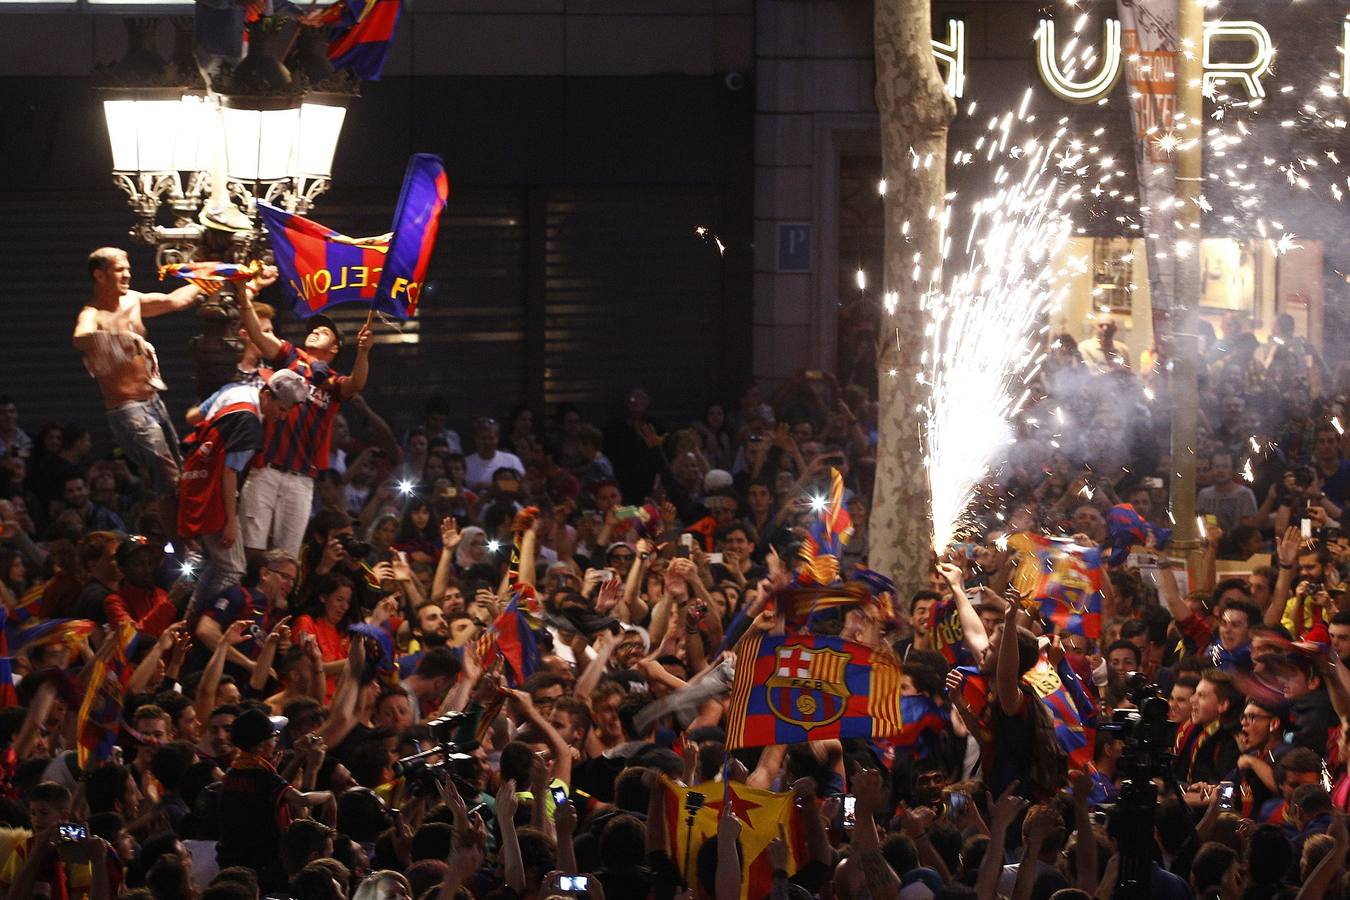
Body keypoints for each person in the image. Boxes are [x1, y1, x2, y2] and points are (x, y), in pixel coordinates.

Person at [236, 271, 375, 560]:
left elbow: (357, 384)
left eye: (324, 332)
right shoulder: (291, 357)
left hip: (301, 478)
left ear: (335, 348)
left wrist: (363, 352)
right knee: (251, 549)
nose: (315, 331)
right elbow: (259, 337)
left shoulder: (333, 382)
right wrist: (242, 295)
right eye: (314, 329)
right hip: (266, 468)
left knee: (287, 556)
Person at [73, 247, 202, 536]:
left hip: (153, 400)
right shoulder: (92, 313)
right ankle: (185, 546)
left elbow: (173, 300)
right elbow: (81, 338)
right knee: (167, 475)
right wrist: (121, 338)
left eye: (128, 268)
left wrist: (210, 277)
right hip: (127, 408)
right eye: (119, 269)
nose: (127, 274)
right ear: (99, 274)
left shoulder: (133, 300)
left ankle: (190, 537)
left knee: (179, 473)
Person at [178, 369, 309, 611]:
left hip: (193, 476)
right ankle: (206, 622)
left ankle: (189, 621)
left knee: (217, 564)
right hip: (213, 492)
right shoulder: (250, 425)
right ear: (267, 395)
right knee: (233, 568)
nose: (282, 417)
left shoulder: (234, 390)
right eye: (281, 409)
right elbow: (229, 474)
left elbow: (193, 418)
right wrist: (230, 520)